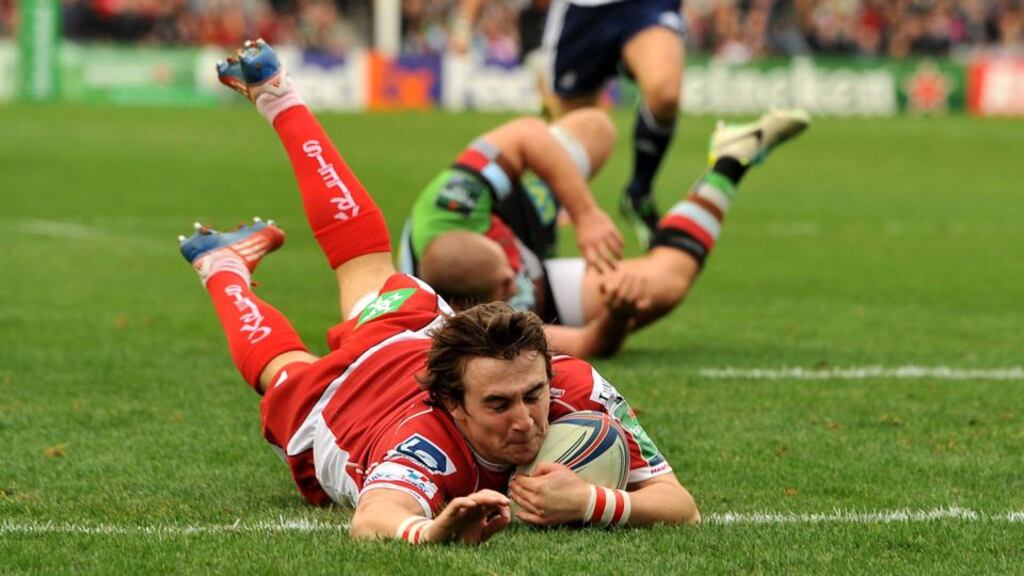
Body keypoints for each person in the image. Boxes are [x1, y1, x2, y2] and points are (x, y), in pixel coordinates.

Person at [188, 38, 699, 544]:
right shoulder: (425, 443)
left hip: (419, 325)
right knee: (285, 372)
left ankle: (280, 96)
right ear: (454, 405)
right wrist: (430, 530)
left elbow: (680, 504)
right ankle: (222, 270)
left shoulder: (578, 386)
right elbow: (374, 518)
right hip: (342, 407)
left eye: (533, 394)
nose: (525, 421)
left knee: (363, 266)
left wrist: (593, 502)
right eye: (499, 405)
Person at [403, 103, 810, 359]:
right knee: (664, 285)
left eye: (511, 267)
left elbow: (526, 132)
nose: (517, 276)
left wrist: (585, 214)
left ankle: (551, 195)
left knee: (597, 128)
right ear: (476, 309)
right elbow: (588, 345)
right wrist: (617, 314)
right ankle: (731, 159)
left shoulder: (448, 209)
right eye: (509, 284)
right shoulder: (478, 337)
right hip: (520, 297)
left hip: (506, 218)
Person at [541, 0, 689, 248]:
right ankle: (541, 235)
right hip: (583, 10)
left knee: (665, 93)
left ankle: (638, 192)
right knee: (570, 130)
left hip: (647, 7)